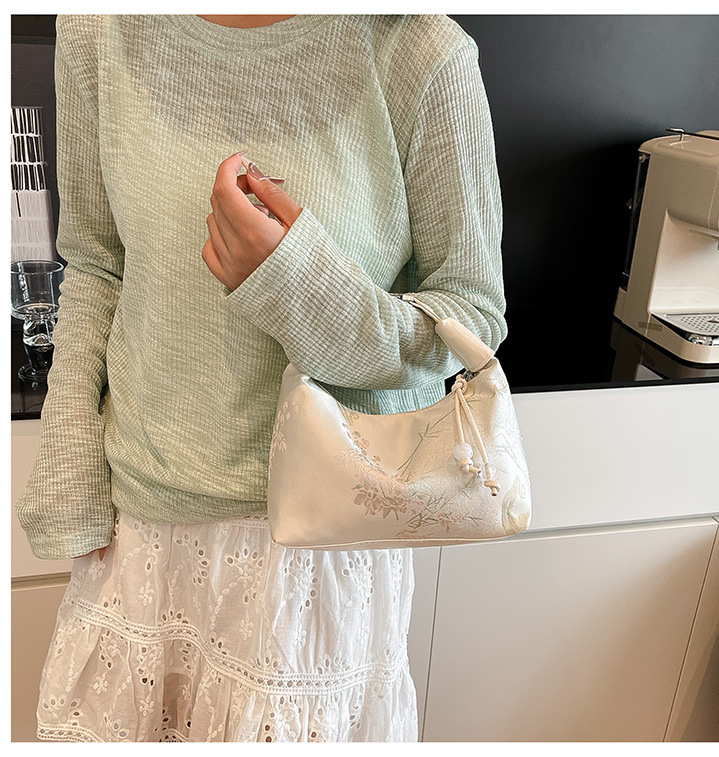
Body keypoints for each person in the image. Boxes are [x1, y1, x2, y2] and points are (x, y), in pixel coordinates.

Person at [15, 13, 509, 742]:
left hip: (320, 552)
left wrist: (294, 282)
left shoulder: (418, 51)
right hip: (139, 535)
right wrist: (70, 464)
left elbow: (471, 315)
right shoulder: (98, 29)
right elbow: (95, 264)